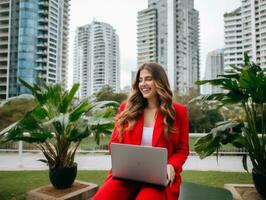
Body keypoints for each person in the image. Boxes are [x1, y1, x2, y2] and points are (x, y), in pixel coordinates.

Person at [93, 63, 189, 200]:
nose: (143, 84)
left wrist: (172, 165)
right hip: (127, 175)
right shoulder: (126, 109)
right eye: (140, 80)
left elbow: (182, 149)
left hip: (159, 180)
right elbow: (113, 144)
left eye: (148, 79)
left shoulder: (178, 111)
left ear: (159, 81)